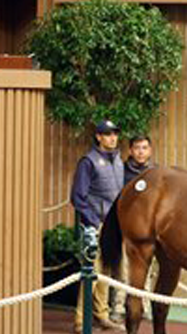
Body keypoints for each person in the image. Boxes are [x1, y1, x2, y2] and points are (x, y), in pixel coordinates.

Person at [71, 119, 126, 332]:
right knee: (91, 275)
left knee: (106, 274)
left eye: (115, 134)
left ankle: (102, 315)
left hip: (113, 226)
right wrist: (93, 222)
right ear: (98, 137)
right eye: (108, 134)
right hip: (95, 226)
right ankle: (80, 321)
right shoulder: (88, 161)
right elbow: (77, 197)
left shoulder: (119, 160)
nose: (113, 138)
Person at [122, 135, 157, 320]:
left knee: (149, 272)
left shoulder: (155, 174)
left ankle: (145, 307)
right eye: (137, 148)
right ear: (130, 150)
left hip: (151, 232)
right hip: (128, 230)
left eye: (144, 148)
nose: (141, 152)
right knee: (126, 271)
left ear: (150, 150)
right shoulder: (122, 171)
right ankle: (120, 309)